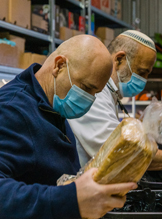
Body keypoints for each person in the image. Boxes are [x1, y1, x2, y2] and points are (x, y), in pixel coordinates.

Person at [0, 35, 137, 219]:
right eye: (86, 88)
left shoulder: (54, 107)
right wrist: (70, 199)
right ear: (59, 66)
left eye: (95, 93)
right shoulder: (11, 110)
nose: (90, 100)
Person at [68, 30, 162, 180]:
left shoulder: (110, 95)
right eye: (141, 72)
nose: (144, 80)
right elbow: (124, 153)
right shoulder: (95, 95)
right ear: (119, 59)